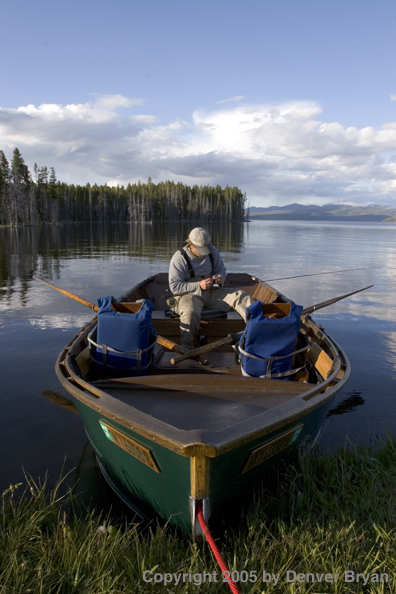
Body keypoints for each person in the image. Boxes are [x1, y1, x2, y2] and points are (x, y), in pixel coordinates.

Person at [168, 227, 254, 351]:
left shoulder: (212, 251)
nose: (205, 252)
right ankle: (186, 348)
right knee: (190, 313)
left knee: (241, 296)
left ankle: (256, 332)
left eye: (206, 248)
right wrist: (198, 285)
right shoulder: (179, 258)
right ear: (191, 245)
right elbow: (175, 287)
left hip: (212, 292)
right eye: (202, 249)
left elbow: (221, 269)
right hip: (189, 295)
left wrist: (220, 278)